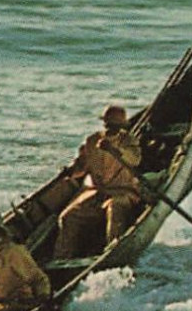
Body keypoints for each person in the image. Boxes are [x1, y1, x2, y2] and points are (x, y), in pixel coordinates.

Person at [54, 103, 144, 259]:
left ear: (122, 126)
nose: (111, 129)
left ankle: (111, 252)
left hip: (122, 192)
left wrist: (115, 151)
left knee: (114, 209)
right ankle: (62, 258)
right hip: (96, 192)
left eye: (116, 126)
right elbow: (81, 167)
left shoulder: (129, 141)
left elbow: (134, 160)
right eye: (109, 125)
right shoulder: (92, 141)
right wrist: (70, 171)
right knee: (68, 217)